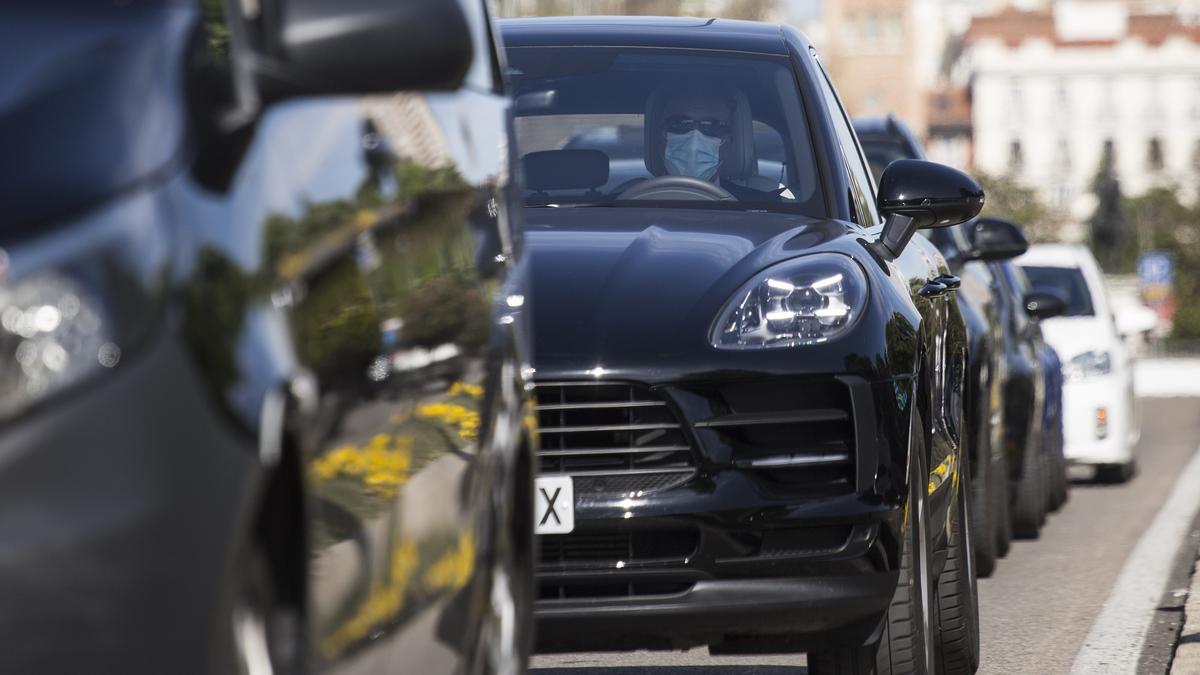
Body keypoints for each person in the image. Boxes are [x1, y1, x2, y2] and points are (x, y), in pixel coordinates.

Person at [646, 84, 787, 201]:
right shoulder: (626, 204)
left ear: (728, 143)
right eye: (680, 124)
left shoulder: (765, 208)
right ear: (661, 135)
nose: (695, 138)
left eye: (712, 127)